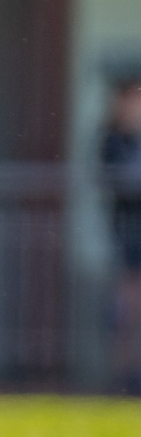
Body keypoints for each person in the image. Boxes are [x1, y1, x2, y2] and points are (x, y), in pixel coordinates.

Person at [102, 78, 141, 394]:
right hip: (131, 234)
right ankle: (124, 373)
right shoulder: (114, 140)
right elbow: (121, 182)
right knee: (128, 306)